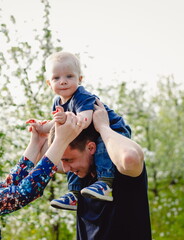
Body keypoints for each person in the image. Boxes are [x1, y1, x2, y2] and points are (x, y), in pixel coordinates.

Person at [30, 51, 132, 210]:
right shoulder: (57, 101)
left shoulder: (81, 96)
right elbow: (57, 123)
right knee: (68, 155)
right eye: (56, 78)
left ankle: (105, 183)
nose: (63, 82)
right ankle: (75, 193)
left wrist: (70, 120)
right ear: (49, 83)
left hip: (112, 130)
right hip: (88, 135)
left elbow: (85, 118)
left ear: (80, 79)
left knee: (102, 147)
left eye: (69, 76)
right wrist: (42, 127)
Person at [49, 99, 152, 239]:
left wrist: (103, 127)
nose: (65, 169)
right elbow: (42, 163)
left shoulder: (118, 169)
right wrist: (37, 137)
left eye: (68, 160)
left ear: (91, 147)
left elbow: (130, 158)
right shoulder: (80, 176)